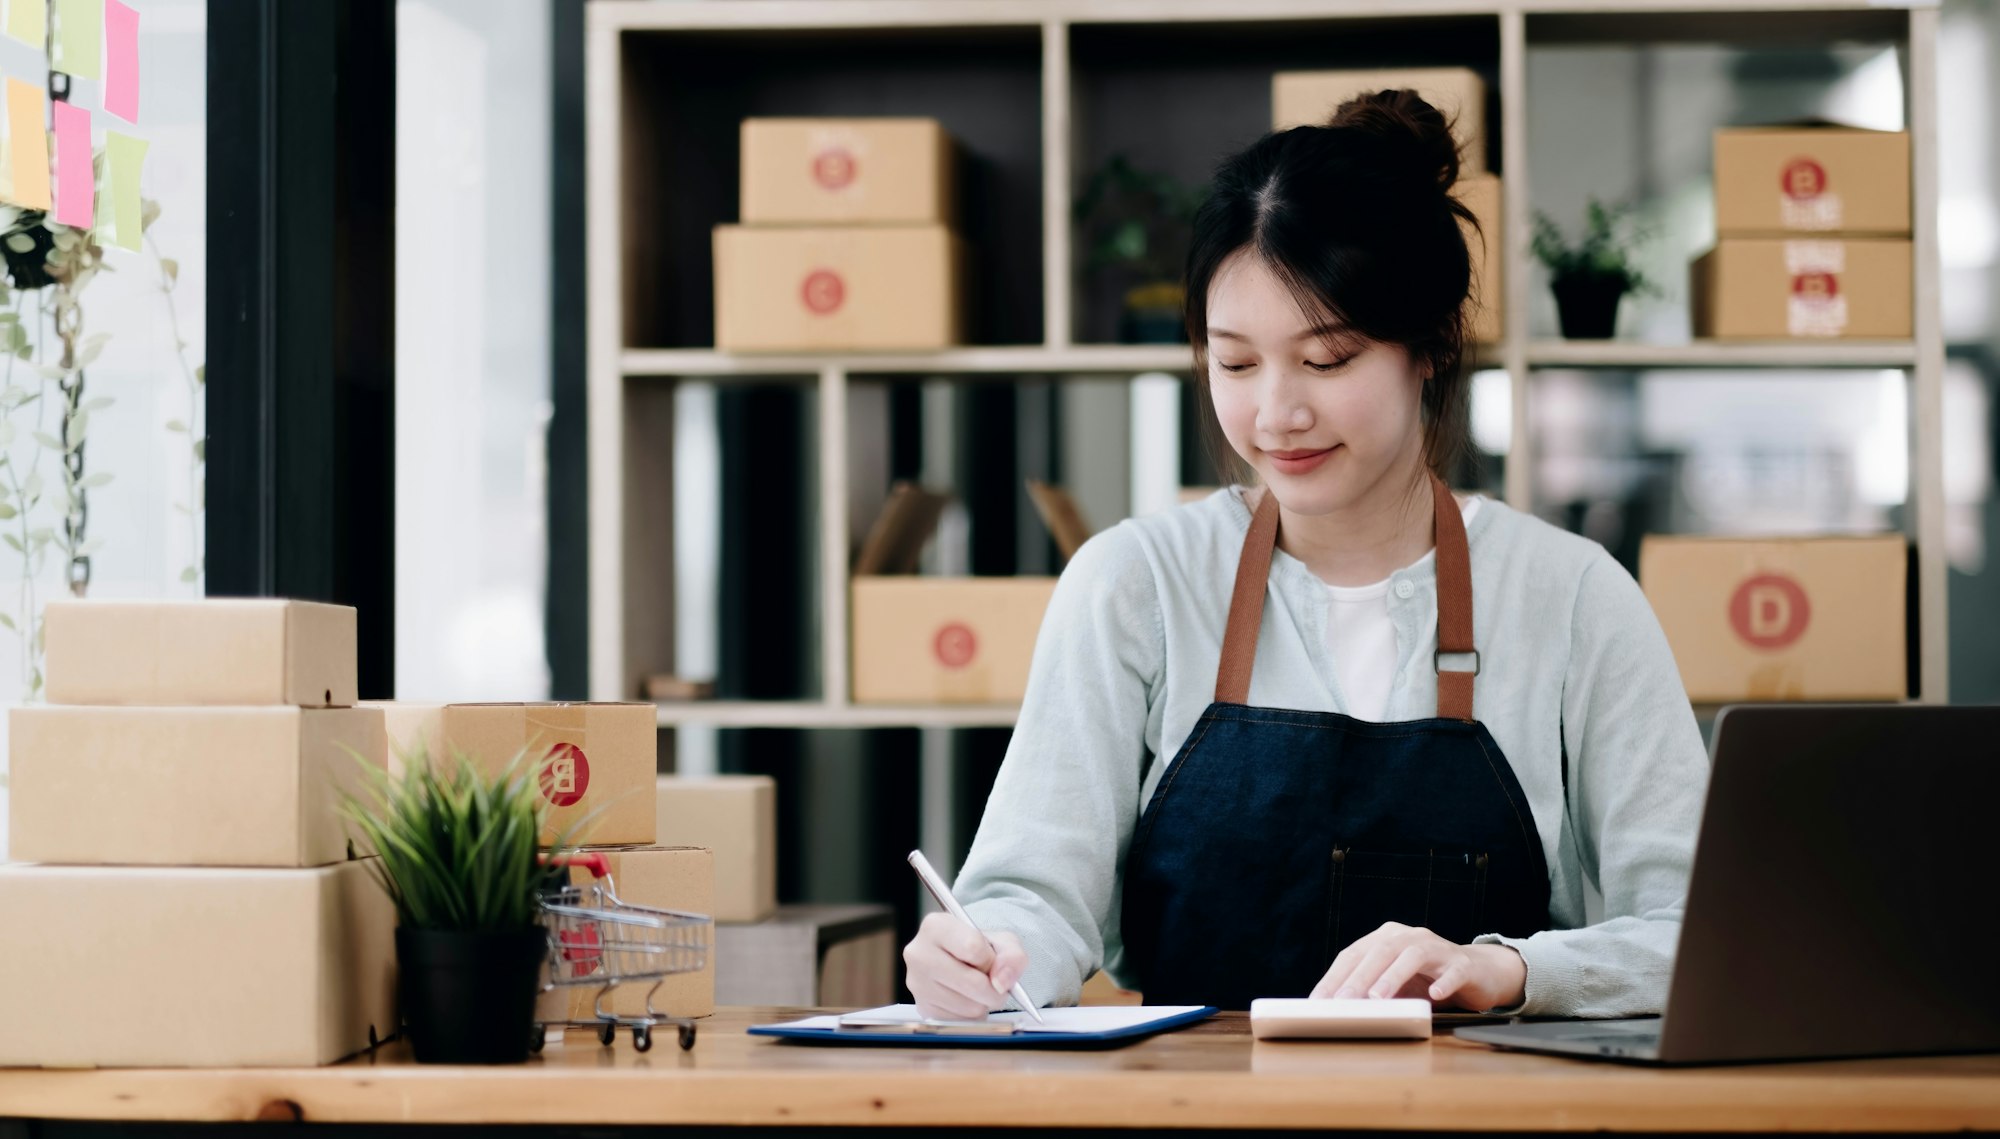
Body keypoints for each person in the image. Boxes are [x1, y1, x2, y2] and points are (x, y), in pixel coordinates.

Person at [902, 89, 1709, 1020]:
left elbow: (1696, 929)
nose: (1276, 414)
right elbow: (1034, 897)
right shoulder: (1136, 584)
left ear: (1429, 349)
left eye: (1326, 361)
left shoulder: (1570, 598)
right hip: (1188, 1114)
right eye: (1236, 364)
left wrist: (1513, 971)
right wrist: (989, 953)